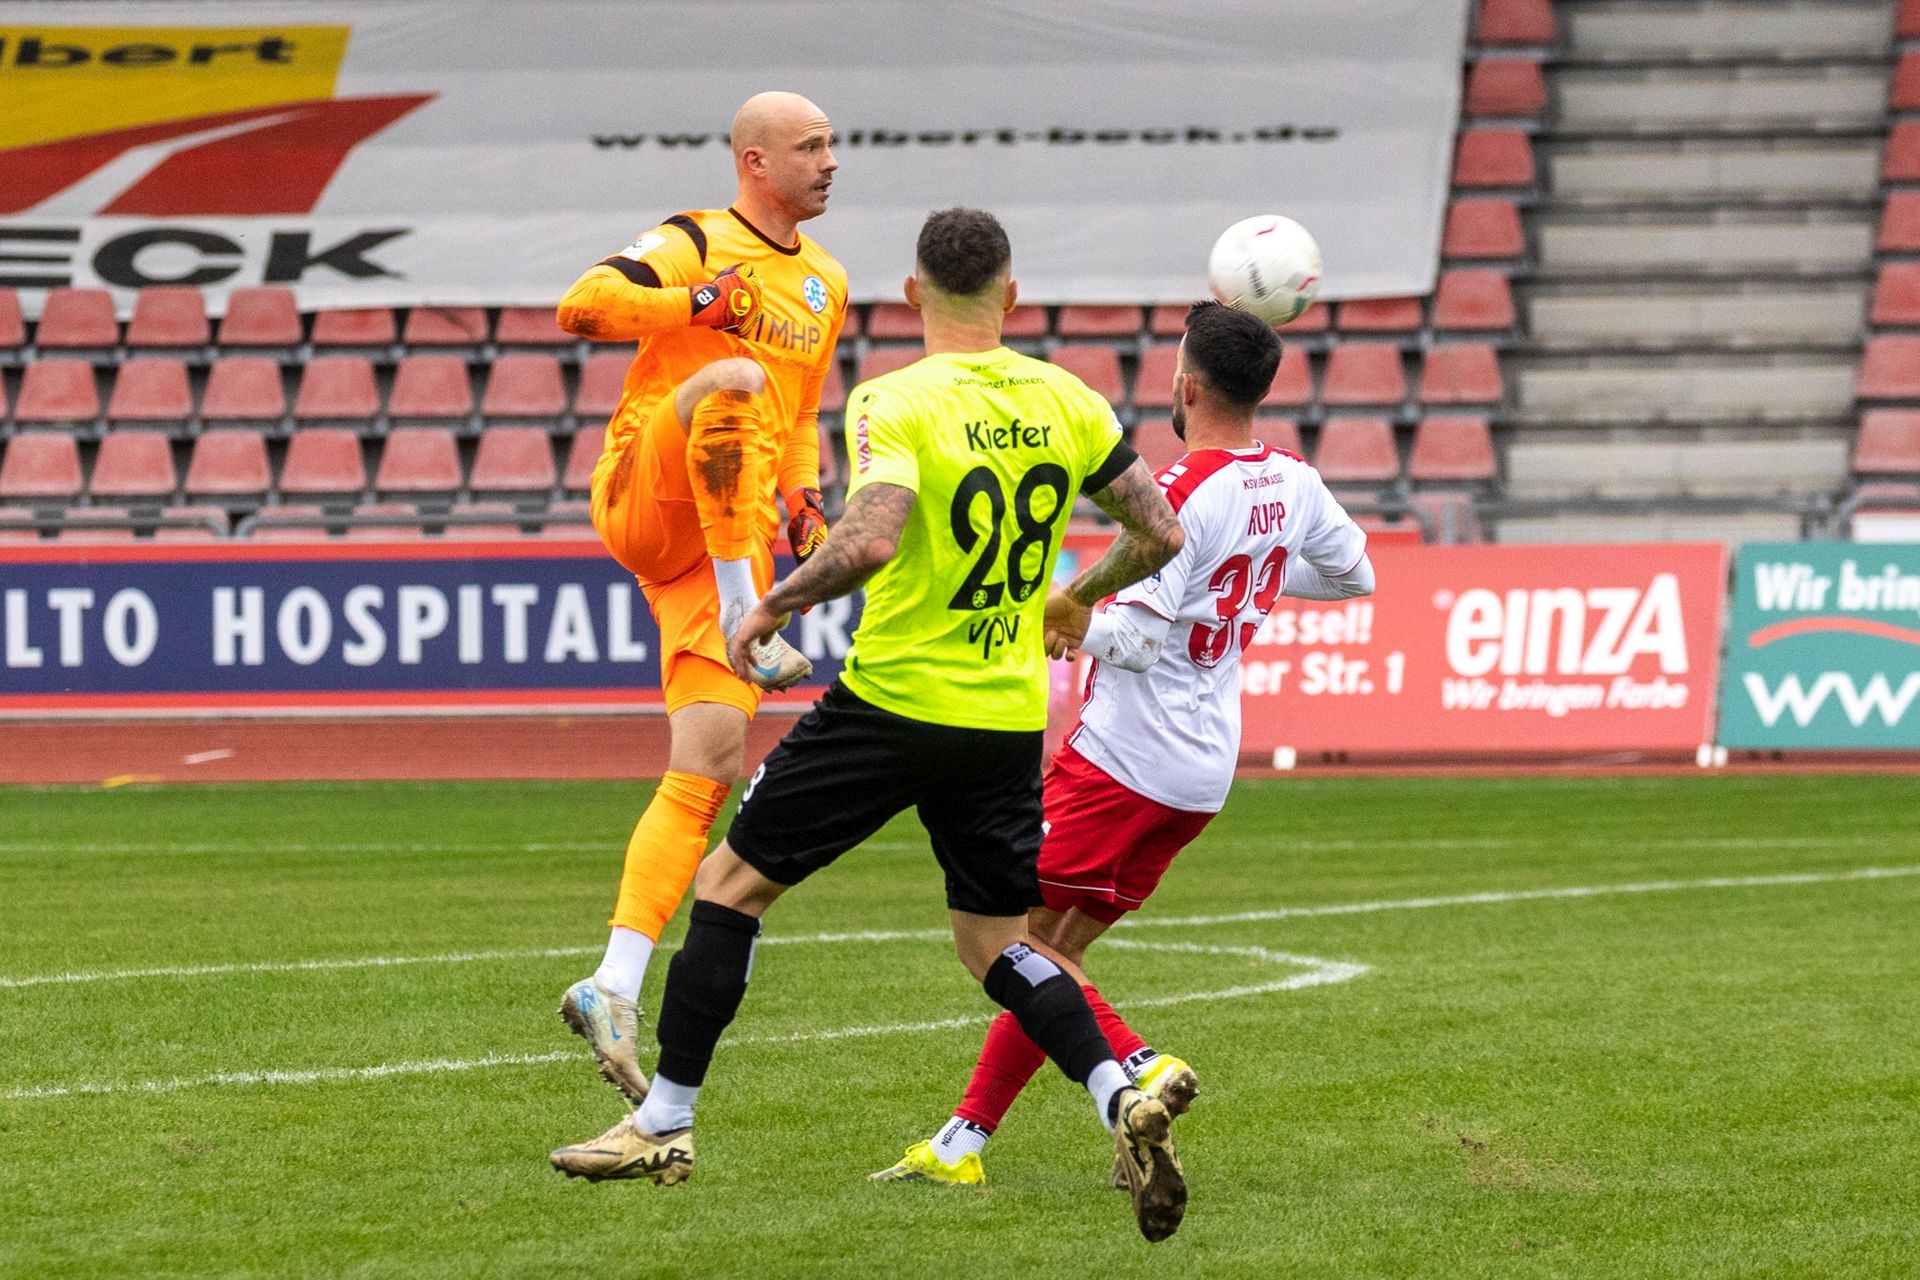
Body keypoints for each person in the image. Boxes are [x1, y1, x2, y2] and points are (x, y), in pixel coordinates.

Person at [549, 207, 1194, 1242]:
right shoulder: (1068, 396)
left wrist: (769, 606)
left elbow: (872, 539)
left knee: (729, 885)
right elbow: (1159, 530)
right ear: (1012, 296)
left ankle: (662, 1121)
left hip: (893, 701)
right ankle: (1116, 1090)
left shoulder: (895, 397)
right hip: (1002, 715)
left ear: (912, 295)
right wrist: (1075, 598)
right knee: (997, 945)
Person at [870, 300, 1375, 1188]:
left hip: (1123, 761)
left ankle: (1139, 1066)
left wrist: (1069, 620)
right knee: (1055, 952)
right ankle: (960, 1145)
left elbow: (1135, 641)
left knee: (1009, 944)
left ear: (1188, 386)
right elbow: (1354, 573)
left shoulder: (1178, 495)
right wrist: (1248, 576)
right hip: (1201, 775)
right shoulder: (1292, 480)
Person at [551, 91, 848, 1108]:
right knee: (730, 377)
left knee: (711, 761)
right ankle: (740, 615)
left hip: (727, 535)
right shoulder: (693, 240)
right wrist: (696, 303)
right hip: (649, 487)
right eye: (811, 147)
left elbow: (800, 414)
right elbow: (583, 306)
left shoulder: (825, 282)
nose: (830, 161)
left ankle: (611, 982)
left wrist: (806, 502)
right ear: (755, 161)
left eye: (832, 145)